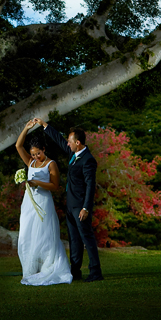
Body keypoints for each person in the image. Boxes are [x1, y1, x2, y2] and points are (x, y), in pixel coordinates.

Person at [34, 118, 103, 282]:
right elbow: (59, 140)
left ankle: (96, 272)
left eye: (70, 142)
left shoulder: (88, 160)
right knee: (74, 240)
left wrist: (86, 208)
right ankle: (75, 271)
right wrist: (45, 126)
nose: (67, 144)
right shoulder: (74, 154)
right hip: (70, 205)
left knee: (87, 238)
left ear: (78, 143)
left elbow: (90, 185)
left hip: (80, 206)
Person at [14, 119, 73, 286]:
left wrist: (37, 183)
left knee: (45, 235)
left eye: (37, 153)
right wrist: (26, 128)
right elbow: (18, 146)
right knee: (28, 234)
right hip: (28, 204)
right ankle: (32, 269)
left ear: (44, 150)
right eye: (33, 154)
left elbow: (55, 186)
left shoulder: (51, 164)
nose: (35, 156)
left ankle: (49, 266)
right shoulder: (31, 162)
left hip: (44, 202)